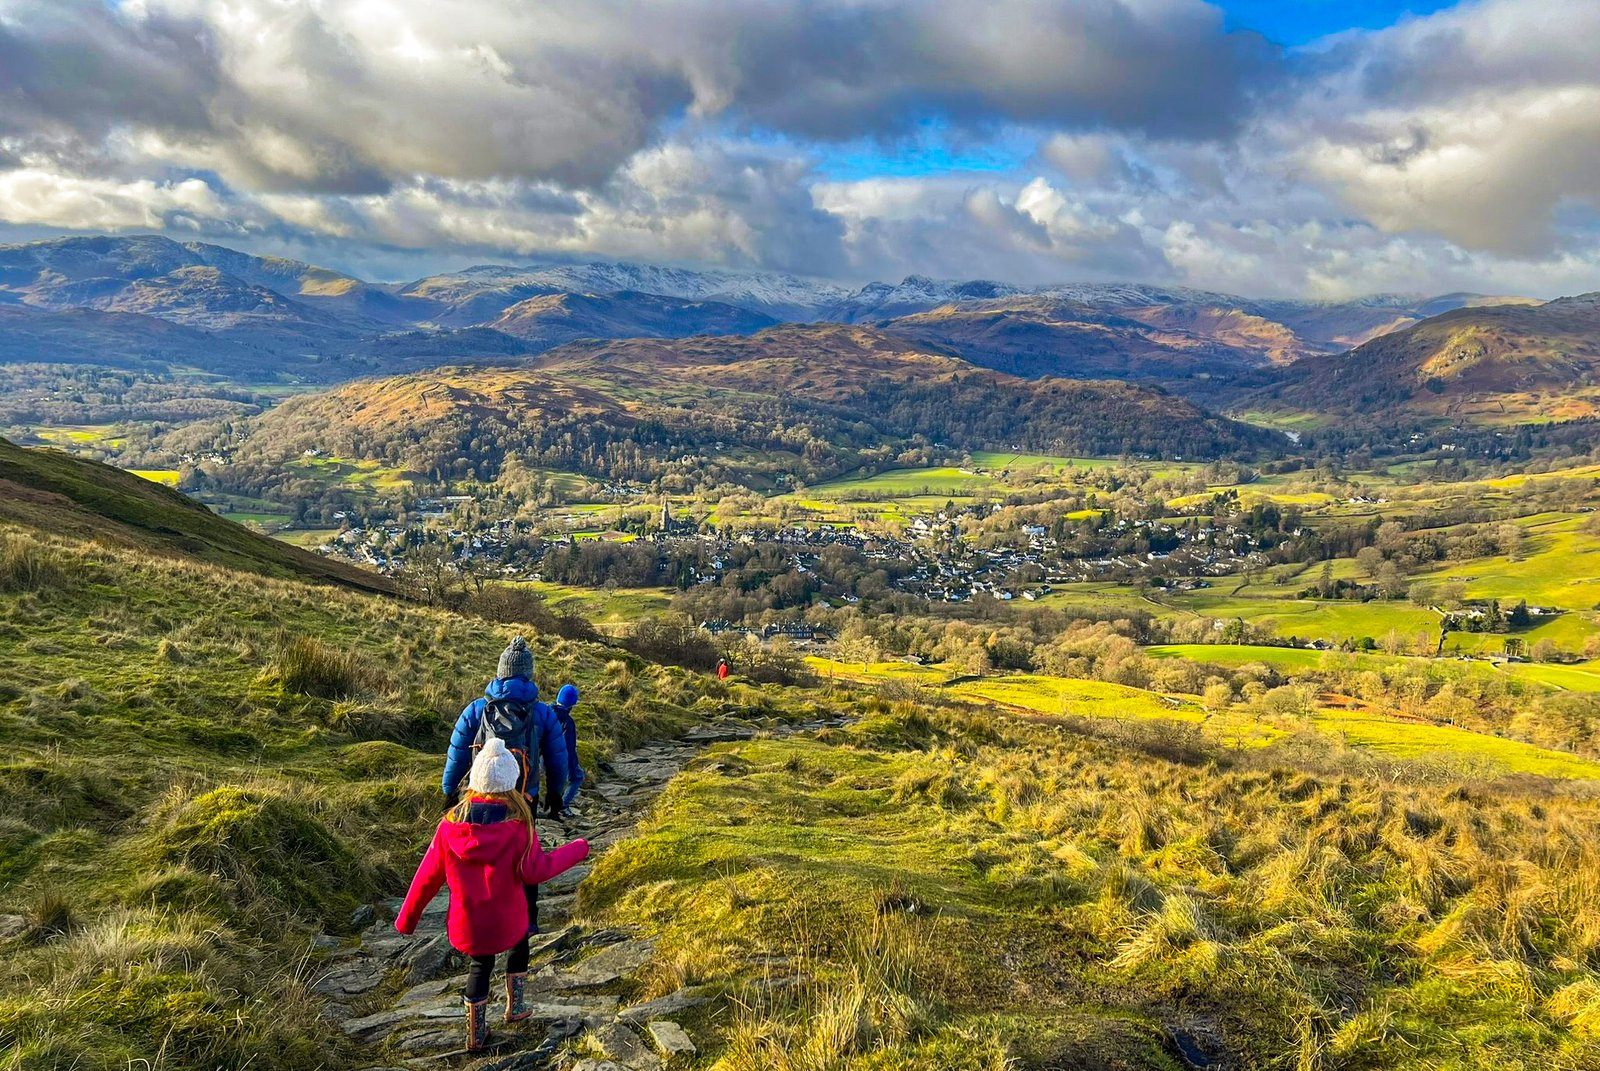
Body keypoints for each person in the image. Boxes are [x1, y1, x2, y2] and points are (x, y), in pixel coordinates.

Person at [397, 737, 590, 1052]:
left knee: (479, 967)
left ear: (475, 780)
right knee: (521, 943)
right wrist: (577, 849)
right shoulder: (518, 827)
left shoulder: (448, 828)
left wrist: (407, 920)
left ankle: (476, 1035)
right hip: (509, 920)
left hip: (469, 923)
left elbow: (426, 878)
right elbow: (536, 872)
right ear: (511, 782)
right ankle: (516, 1007)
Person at [441, 636, 569, 935]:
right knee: (526, 856)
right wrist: (555, 793)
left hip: (480, 796)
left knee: (481, 854)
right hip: (525, 795)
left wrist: (449, 791)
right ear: (528, 674)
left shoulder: (476, 710)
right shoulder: (542, 712)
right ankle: (529, 920)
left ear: (499, 673)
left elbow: (457, 752)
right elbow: (557, 757)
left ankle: (481, 920)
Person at [552, 683, 584, 818]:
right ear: (572, 704)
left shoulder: (546, 713)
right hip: (560, 758)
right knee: (577, 777)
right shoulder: (568, 722)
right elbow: (569, 749)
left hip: (541, 756)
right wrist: (573, 765)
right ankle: (563, 806)